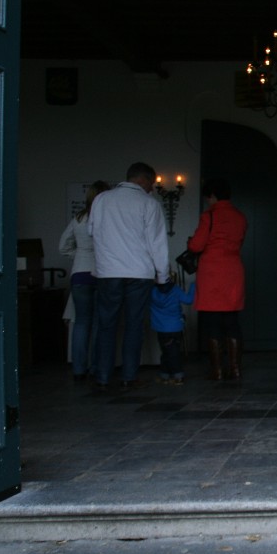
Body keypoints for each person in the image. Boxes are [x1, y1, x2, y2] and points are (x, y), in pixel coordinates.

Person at [90, 162, 169, 392]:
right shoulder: (149, 204)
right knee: (134, 326)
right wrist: (163, 277)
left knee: (106, 326)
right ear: (144, 180)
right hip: (139, 272)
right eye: (152, 184)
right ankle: (129, 376)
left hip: (108, 271)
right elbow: (157, 243)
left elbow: (92, 231)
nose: (152, 189)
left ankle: (102, 377)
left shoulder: (102, 199)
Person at [187, 178, 248, 381]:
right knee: (232, 321)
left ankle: (217, 370)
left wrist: (191, 241)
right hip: (233, 270)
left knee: (212, 322)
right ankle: (235, 368)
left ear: (212, 196)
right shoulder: (240, 217)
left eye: (208, 198)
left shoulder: (209, 216)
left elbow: (196, 246)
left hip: (212, 273)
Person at [58, 179, 110, 382]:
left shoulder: (78, 218)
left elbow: (63, 246)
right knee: (99, 323)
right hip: (102, 272)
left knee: (81, 323)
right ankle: (96, 368)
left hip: (80, 273)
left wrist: (79, 255)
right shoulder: (108, 218)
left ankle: (78, 369)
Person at [151, 272, 195, 385]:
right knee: (173, 352)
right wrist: (193, 285)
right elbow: (189, 300)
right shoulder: (175, 289)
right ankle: (172, 375)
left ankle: (170, 376)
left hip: (161, 328)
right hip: (176, 327)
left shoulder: (152, 291)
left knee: (166, 352)